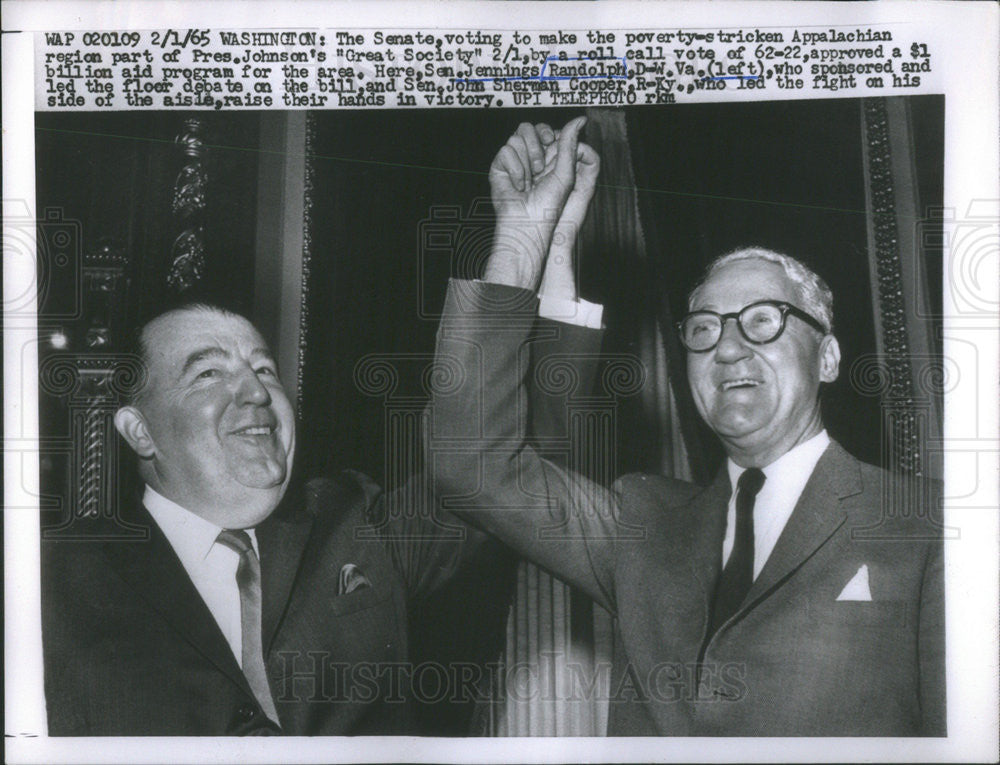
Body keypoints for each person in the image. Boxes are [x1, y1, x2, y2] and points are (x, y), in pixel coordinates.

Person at [40, 128, 602, 735]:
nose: (256, 391)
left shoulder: (352, 525)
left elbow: (503, 459)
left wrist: (530, 239)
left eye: (264, 368)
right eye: (208, 373)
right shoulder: (53, 581)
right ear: (139, 430)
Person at [428, 117, 945, 736]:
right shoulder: (641, 524)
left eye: (762, 320)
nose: (727, 349)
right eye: (704, 328)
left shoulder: (929, 527)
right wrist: (524, 236)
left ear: (828, 356)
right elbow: (471, 468)